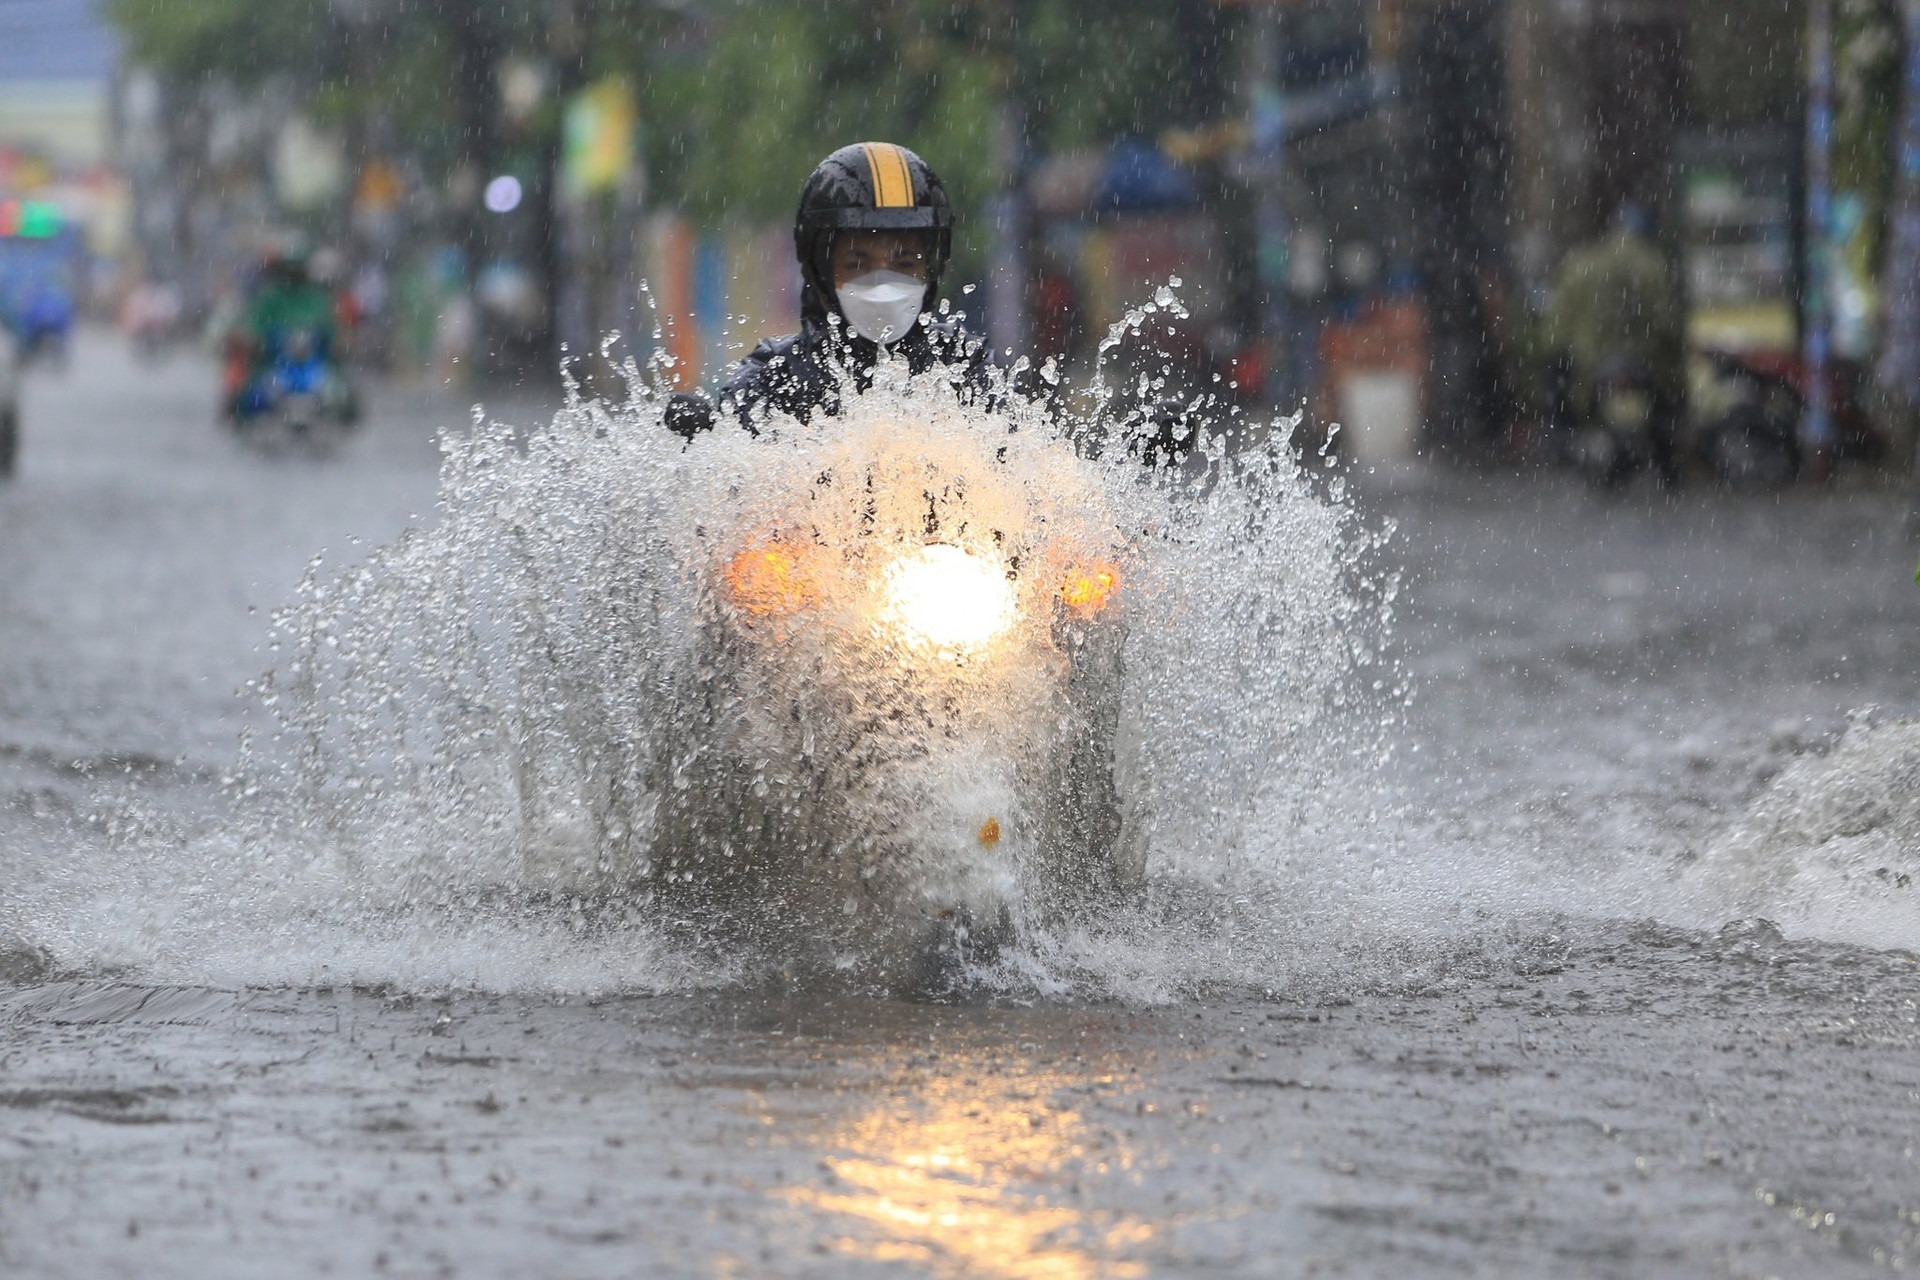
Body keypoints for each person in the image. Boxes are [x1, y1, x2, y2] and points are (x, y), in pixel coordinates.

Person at [1544, 205, 1687, 486]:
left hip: (1593, 366)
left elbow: (1556, 329)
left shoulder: (1583, 263)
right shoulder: (1654, 265)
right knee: (1663, 427)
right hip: (1644, 365)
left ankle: (1565, 447)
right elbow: (1669, 324)